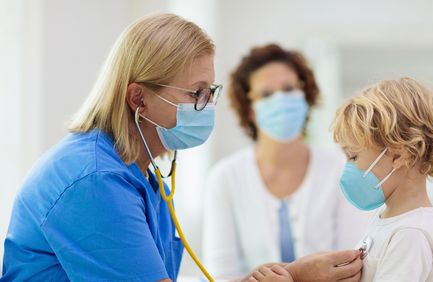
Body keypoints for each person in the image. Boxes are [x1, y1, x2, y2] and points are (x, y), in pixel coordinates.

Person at [1, 14, 362, 282]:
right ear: (139, 98)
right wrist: (296, 276)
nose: (206, 105)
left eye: (210, 92)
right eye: (196, 93)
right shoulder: (94, 182)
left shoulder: (139, 175)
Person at [202, 44, 369, 279]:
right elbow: (219, 276)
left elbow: (355, 265)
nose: (281, 99)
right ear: (249, 109)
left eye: (289, 88)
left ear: (305, 94)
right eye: (267, 94)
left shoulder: (340, 168)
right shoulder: (226, 177)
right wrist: (302, 275)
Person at [331, 77, 433, 281]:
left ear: (398, 156)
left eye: (353, 156)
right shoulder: (389, 218)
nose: (347, 168)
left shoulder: (410, 233)